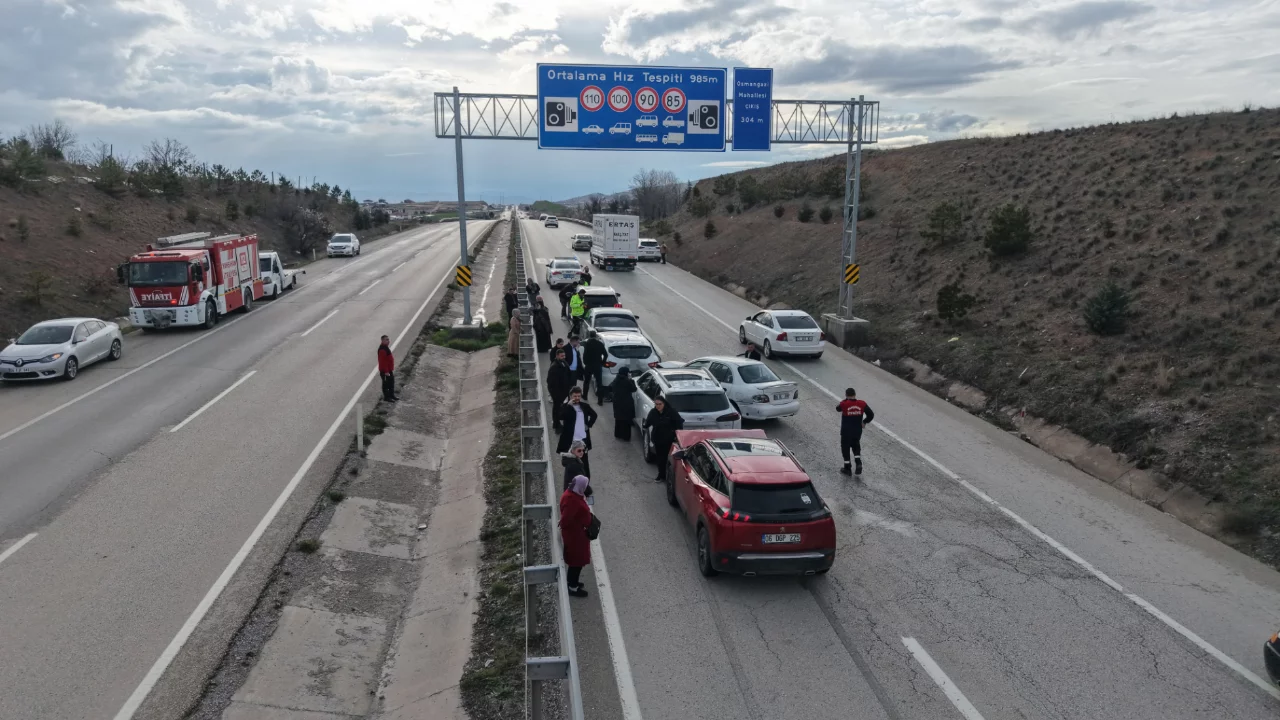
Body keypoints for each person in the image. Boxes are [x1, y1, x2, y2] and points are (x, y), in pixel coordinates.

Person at [560, 474, 592, 598]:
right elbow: (566, 519)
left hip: (577, 534)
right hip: (575, 536)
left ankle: (572, 582)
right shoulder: (572, 500)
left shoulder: (572, 494)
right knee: (576, 562)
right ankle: (573, 587)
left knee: (576, 560)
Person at [556, 387, 598, 480]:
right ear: (570, 396)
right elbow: (560, 416)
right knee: (570, 462)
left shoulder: (584, 406)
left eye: (579, 396)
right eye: (575, 396)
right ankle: (571, 481)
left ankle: (585, 481)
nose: (577, 398)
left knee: (584, 462)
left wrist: (588, 425)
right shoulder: (565, 406)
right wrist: (568, 406)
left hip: (582, 440)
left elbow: (594, 415)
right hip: (570, 440)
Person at [643, 395, 683, 483]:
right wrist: (645, 425)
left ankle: (671, 477)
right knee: (660, 458)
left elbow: (679, 423)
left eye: (660, 404)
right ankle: (661, 475)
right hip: (658, 439)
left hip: (669, 440)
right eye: (656, 404)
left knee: (668, 459)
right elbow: (648, 422)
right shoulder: (653, 412)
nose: (658, 406)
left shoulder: (671, 412)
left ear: (664, 403)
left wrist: (677, 435)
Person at [836, 387, 875, 476]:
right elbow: (871, 414)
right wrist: (864, 421)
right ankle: (858, 463)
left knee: (845, 449)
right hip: (857, 431)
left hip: (846, 432)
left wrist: (846, 399)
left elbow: (837, 409)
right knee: (856, 446)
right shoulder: (862, 404)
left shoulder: (844, 404)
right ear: (855, 395)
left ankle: (847, 468)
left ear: (846, 395)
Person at [547, 348, 573, 432]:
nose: (564, 357)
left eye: (564, 355)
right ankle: (556, 425)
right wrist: (555, 394)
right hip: (558, 393)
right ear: (557, 356)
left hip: (564, 391)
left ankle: (559, 423)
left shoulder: (563, 363)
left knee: (561, 408)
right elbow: (550, 382)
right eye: (562, 356)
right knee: (557, 409)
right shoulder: (554, 366)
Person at [610, 367, 637, 441]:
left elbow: (611, 387)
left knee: (618, 419)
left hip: (617, 402)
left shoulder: (616, 380)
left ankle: (618, 434)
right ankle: (626, 436)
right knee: (626, 420)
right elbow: (634, 389)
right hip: (626, 403)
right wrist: (631, 380)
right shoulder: (627, 381)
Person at [582, 331, 608, 402]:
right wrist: (602, 363)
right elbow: (605, 354)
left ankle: (585, 396)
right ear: (595, 336)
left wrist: (585, 362)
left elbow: (585, 355)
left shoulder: (587, 344)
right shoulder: (600, 344)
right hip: (597, 365)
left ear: (590, 336)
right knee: (599, 383)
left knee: (586, 381)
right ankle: (600, 400)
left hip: (589, 365)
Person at [377, 335, 398, 402]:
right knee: (386, 385)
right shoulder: (382, 350)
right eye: (386, 339)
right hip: (385, 371)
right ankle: (387, 397)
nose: (388, 341)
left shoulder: (385, 347)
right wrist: (386, 372)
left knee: (391, 383)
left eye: (388, 339)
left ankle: (392, 395)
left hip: (389, 370)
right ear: (382, 340)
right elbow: (383, 362)